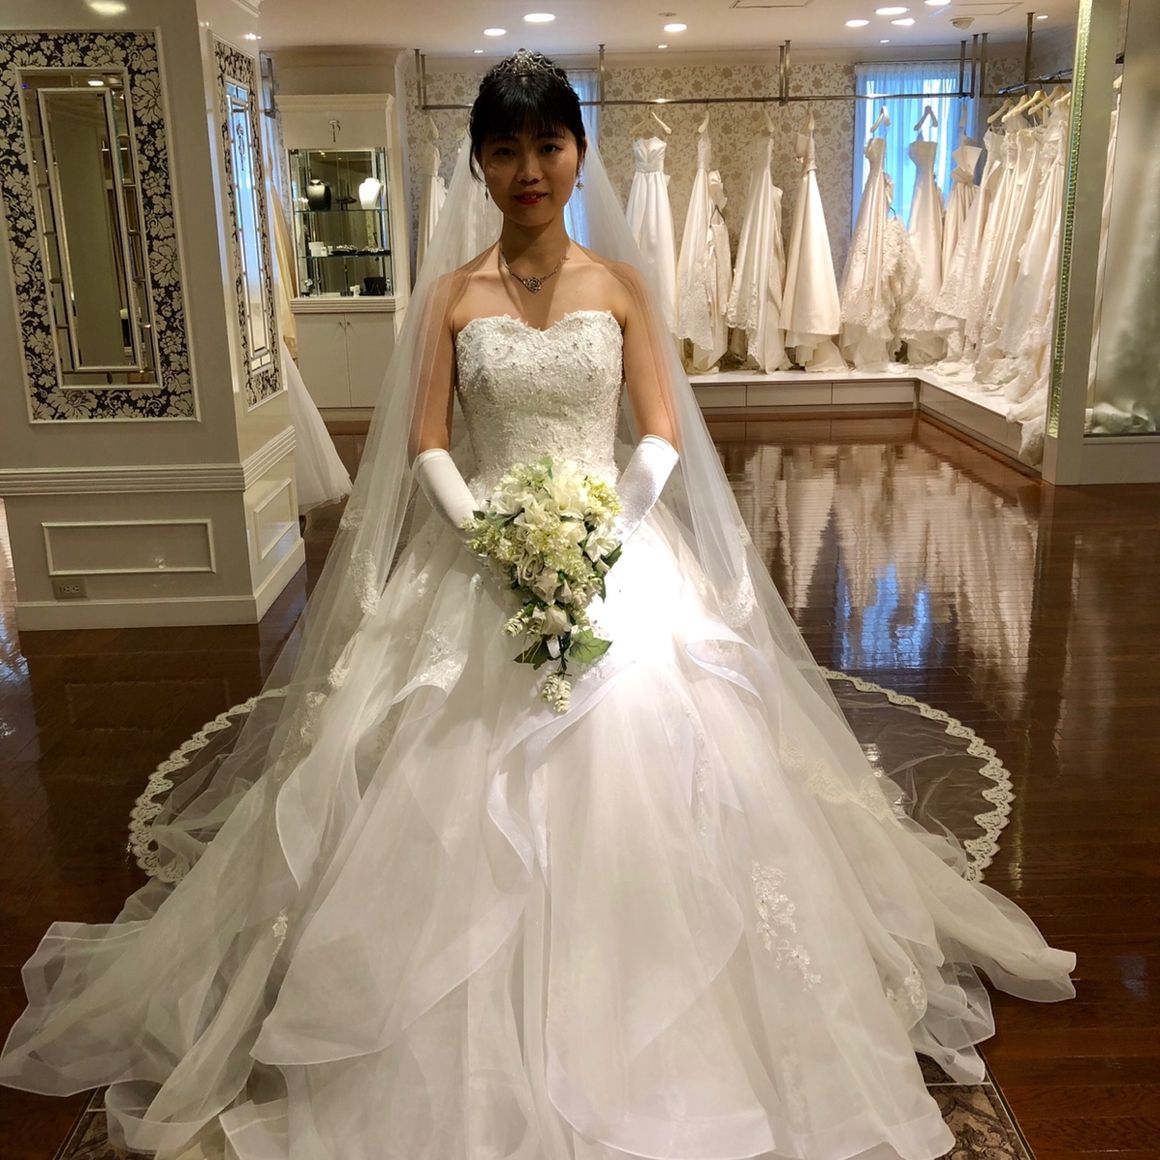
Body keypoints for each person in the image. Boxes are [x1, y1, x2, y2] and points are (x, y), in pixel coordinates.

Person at [1, 52, 1073, 1160]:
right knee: (431, 776)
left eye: (547, 145)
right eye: (505, 148)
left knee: (672, 764)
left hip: (614, 549)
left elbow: (659, 429)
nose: (528, 168)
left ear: (577, 152)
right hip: (481, 557)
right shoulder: (450, 298)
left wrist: (603, 531)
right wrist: (495, 539)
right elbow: (426, 442)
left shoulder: (621, 287)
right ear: (478, 163)